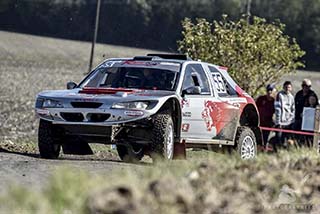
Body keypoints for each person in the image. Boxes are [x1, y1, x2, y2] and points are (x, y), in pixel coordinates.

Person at [274, 81, 295, 148]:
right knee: (278, 139)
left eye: (289, 87)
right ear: (283, 87)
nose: (287, 89)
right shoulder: (279, 95)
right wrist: (278, 122)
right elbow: (277, 109)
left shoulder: (292, 97)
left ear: (291, 88)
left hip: (288, 123)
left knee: (286, 139)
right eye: (286, 87)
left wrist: (291, 121)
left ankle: (283, 153)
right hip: (280, 122)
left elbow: (293, 110)